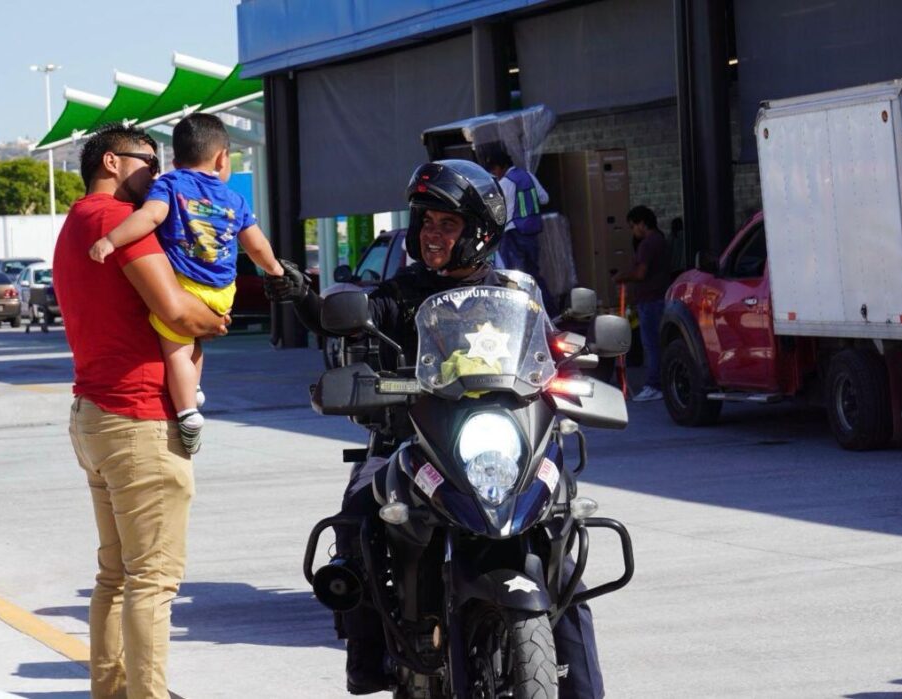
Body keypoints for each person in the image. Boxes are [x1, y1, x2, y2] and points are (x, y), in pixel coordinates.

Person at [267, 159, 605, 698]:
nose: (432, 234)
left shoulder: (517, 292)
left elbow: (547, 350)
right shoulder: (404, 291)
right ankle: (367, 654)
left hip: (503, 444)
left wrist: (574, 350)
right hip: (411, 438)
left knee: (561, 548)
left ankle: (585, 690)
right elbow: (342, 318)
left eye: (447, 224)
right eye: (427, 222)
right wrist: (301, 294)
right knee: (359, 509)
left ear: (480, 232)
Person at [53, 122, 229, 699]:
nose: (159, 174)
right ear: (112, 161)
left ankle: (111, 692)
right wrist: (216, 320)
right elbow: (177, 311)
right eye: (148, 162)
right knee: (153, 581)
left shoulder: (77, 222)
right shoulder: (114, 220)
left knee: (116, 576)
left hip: (96, 414)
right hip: (138, 419)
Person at [88, 113, 284, 454]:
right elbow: (256, 246)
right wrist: (276, 270)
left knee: (176, 348)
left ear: (175, 159)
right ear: (222, 158)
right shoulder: (235, 199)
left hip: (185, 284)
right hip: (223, 292)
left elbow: (150, 216)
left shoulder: (170, 184)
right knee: (195, 342)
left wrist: (110, 241)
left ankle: (187, 412)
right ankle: (192, 388)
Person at [482, 146, 556, 314]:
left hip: (512, 235)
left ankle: (523, 314)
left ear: (501, 166)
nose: (495, 174)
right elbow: (544, 198)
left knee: (515, 278)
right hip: (531, 234)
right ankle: (549, 311)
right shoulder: (528, 176)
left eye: (494, 170)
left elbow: (496, 212)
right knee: (533, 276)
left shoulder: (504, 183)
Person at [613, 205, 671, 402]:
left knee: (651, 345)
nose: (633, 231)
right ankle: (661, 383)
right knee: (657, 344)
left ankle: (654, 385)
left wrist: (621, 277)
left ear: (642, 223)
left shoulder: (648, 244)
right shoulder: (661, 239)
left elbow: (640, 273)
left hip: (650, 300)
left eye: (633, 226)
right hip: (658, 298)